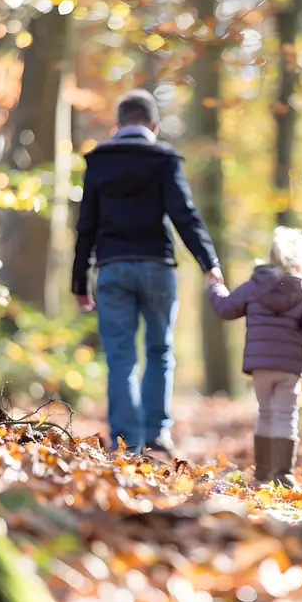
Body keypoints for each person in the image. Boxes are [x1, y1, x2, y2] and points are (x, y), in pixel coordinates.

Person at [71, 89, 223, 456]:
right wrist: (209, 264)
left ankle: (125, 442)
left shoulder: (98, 161)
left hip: (112, 269)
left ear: (117, 125)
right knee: (160, 350)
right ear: (153, 125)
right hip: (157, 267)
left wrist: (79, 281)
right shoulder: (164, 158)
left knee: (121, 356)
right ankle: (156, 435)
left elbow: (86, 225)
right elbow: (184, 215)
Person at [207, 227, 302, 488]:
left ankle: (263, 473)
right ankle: (283, 473)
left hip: (261, 364)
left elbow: (226, 307)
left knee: (265, 412)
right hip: (289, 366)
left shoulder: (254, 286)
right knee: (286, 415)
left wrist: (214, 288)